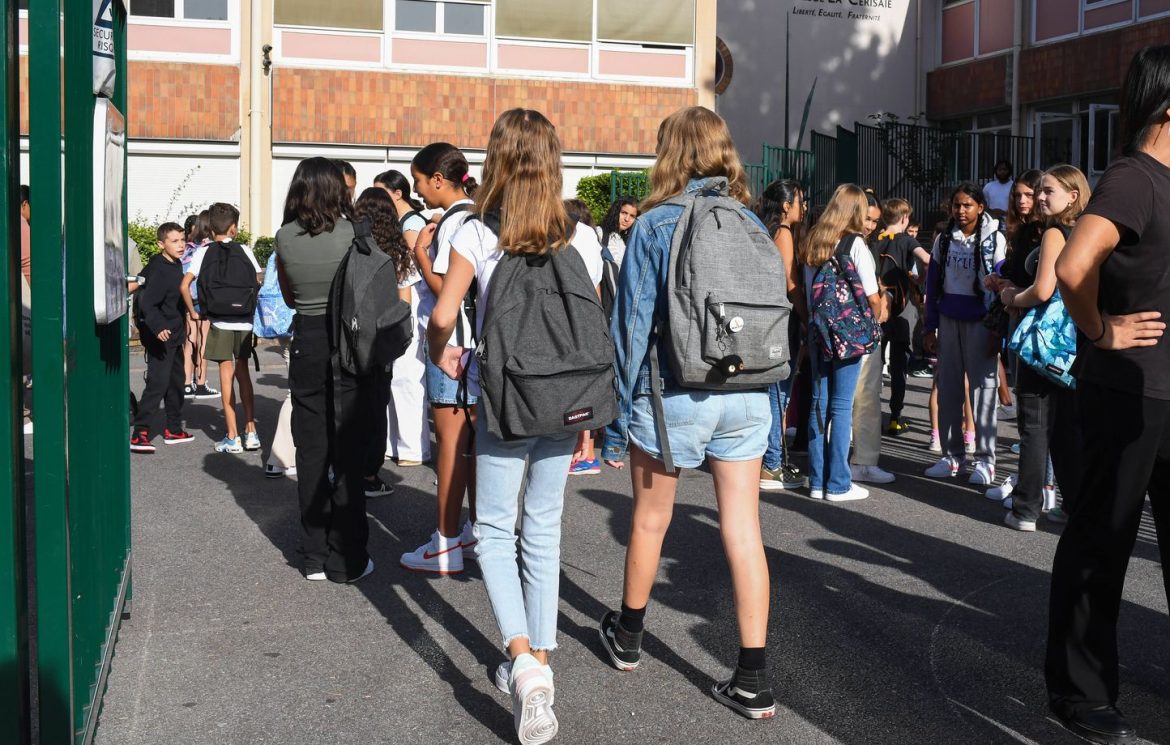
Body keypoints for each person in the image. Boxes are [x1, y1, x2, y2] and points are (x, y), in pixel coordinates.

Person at [599, 106, 780, 721]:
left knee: (650, 520)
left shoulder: (653, 225)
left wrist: (618, 418)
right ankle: (752, 677)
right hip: (749, 392)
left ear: (669, 154)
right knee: (744, 531)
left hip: (675, 392)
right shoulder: (752, 223)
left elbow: (632, 327)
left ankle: (627, 637)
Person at [431, 108, 603, 744]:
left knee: (496, 527)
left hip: (504, 396)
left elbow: (445, 314)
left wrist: (437, 348)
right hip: (565, 397)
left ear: (497, 161)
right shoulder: (581, 237)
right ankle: (542, 664)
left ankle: (523, 663)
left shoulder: (476, 234)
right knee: (545, 526)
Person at [1046, 44, 1170, 745]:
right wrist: (1099, 329)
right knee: (1103, 542)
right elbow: (1073, 263)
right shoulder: (1134, 177)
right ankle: (1081, 693)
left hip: (1167, 396)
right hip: (1126, 392)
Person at [275, 157, 375, 584]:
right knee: (348, 450)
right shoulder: (354, 234)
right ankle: (347, 558)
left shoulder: (283, 237)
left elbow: (289, 294)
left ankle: (313, 555)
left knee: (311, 449)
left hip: (308, 340)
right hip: (349, 341)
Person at [990, 165, 1089, 532]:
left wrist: (1011, 294)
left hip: (1043, 342)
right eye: (1040, 191)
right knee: (1065, 427)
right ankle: (1073, 505)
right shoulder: (1088, 230)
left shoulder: (1055, 233)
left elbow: (1044, 289)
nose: (1041, 197)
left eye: (1048, 191)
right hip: (1076, 341)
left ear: (1072, 196)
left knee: (1033, 424)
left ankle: (1026, 508)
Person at [400, 142, 481, 575]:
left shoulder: (453, 224)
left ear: (436, 179)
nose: (417, 190)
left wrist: (418, 255)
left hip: (450, 344)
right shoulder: (482, 216)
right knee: (471, 446)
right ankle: (467, 531)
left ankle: (446, 542)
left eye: (417, 181)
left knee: (450, 445)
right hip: (478, 345)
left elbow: (447, 288)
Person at [802, 183, 886, 500]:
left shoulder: (814, 242)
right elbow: (872, 297)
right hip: (848, 334)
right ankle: (838, 482)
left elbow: (809, 292)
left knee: (818, 403)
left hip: (818, 329)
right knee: (841, 405)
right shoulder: (856, 245)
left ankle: (817, 479)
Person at [922, 184, 1006, 485]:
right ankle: (951, 455)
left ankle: (985, 461)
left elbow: (1001, 279)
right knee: (948, 389)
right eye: (957, 205)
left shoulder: (995, 238)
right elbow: (932, 284)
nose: (961, 211)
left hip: (981, 322)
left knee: (983, 391)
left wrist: (998, 331)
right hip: (948, 319)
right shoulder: (944, 239)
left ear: (980, 207)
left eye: (968, 205)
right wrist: (928, 325)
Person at [349, 186, 417, 497]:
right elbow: (404, 304)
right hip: (382, 344)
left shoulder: (349, 246)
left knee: (349, 406)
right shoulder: (399, 252)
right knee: (377, 409)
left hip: (350, 337)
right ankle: (369, 475)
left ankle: (344, 468)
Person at [180, 203, 261, 454]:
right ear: (234, 228)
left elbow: (184, 286)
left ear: (209, 228)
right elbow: (259, 279)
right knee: (243, 374)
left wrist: (194, 312)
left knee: (226, 376)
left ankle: (232, 436)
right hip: (245, 320)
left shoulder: (203, 252)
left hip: (219, 321)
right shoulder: (245, 250)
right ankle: (251, 432)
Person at [374, 169, 431, 466]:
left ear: (398, 193)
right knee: (395, 378)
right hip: (401, 306)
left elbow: (408, 272)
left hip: (409, 306)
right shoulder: (400, 222)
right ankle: (396, 443)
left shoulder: (411, 224)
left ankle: (412, 447)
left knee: (408, 378)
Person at [754, 179, 808, 491]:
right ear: (787, 205)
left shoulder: (762, 227)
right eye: (799, 201)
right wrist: (807, 315)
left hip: (763, 319)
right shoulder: (783, 232)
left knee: (768, 392)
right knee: (779, 393)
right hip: (781, 320)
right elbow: (789, 282)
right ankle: (772, 463)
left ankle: (766, 459)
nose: (803, 206)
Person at [130, 223, 195, 453]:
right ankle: (140, 433)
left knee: (176, 382)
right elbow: (148, 303)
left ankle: (174, 429)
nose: (181, 245)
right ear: (161, 244)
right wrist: (158, 328)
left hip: (174, 335)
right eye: (174, 241)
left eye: (182, 239)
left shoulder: (175, 264)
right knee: (158, 383)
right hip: (161, 336)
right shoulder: (158, 268)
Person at [872, 198, 931, 437]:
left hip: (876, 304)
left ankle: (871, 415)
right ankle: (895, 417)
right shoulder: (907, 240)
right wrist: (920, 280)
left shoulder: (874, 240)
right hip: (900, 308)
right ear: (905, 219)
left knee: (875, 364)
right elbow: (927, 259)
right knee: (899, 366)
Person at [181, 209, 218, 400]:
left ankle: (187, 383)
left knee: (189, 339)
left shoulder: (186, 247)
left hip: (187, 298)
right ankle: (201, 383)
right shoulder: (210, 248)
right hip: (203, 298)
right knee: (203, 340)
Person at [597, 196, 638, 267]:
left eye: (632, 216)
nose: (627, 219)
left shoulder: (630, 241)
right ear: (615, 212)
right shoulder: (599, 233)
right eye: (624, 213)